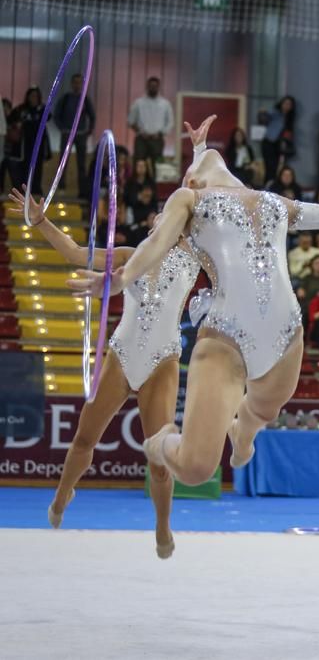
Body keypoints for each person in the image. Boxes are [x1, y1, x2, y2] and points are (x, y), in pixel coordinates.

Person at [69, 116, 319, 490]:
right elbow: (155, 243)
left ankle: (242, 430)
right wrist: (123, 277)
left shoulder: (271, 202)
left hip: (284, 333)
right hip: (225, 340)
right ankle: (158, 444)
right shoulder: (188, 200)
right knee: (196, 469)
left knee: (266, 408)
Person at [10, 180, 199, 558]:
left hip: (162, 360)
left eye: (169, 215)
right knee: (84, 438)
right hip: (122, 354)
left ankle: (163, 525)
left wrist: (197, 156)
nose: (160, 218)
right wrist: (42, 222)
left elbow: (205, 198)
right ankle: (63, 494)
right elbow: (77, 254)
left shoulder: (196, 258)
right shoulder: (133, 255)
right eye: (156, 216)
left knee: (159, 460)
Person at [53, 73, 95, 196]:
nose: (77, 85)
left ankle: (82, 191)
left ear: (82, 84)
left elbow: (92, 116)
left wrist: (88, 131)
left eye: (79, 82)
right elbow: (56, 115)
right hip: (67, 133)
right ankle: (61, 188)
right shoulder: (66, 98)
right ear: (72, 84)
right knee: (63, 163)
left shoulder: (85, 99)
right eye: (75, 82)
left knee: (81, 165)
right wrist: (62, 129)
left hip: (81, 135)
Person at [9, 87, 48, 196]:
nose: (33, 98)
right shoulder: (22, 109)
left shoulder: (42, 109)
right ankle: (24, 191)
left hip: (38, 144)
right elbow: (12, 118)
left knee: (37, 167)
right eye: (31, 96)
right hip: (24, 145)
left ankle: (36, 189)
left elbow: (48, 117)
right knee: (24, 167)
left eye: (36, 96)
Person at [127, 77, 173, 165]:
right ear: (147, 86)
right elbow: (131, 121)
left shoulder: (165, 104)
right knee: (138, 164)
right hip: (141, 140)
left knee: (157, 166)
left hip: (157, 140)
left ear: (158, 87)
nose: (153, 88)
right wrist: (140, 132)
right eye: (151, 86)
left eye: (155, 86)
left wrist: (161, 133)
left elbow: (170, 122)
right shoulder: (138, 103)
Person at [260, 96, 296, 184]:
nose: (287, 106)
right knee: (269, 166)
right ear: (282, 104)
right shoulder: (276, 112)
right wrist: (263, 112)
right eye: (285, 103)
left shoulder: (289, 118)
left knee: (276, 167)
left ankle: (271, 184)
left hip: (278, 144)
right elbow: (264, 117)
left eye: (289, 104)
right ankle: (267, 185)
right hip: (269, 142)